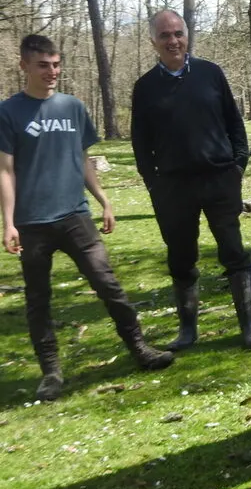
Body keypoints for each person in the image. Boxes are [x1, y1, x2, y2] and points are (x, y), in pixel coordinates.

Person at [0, 35, 173, 401]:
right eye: (43, 65)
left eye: (56, 65)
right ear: (24, 66)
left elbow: (83, 160)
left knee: (108, 284)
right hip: (32, 223)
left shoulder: (73, 107)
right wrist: (9, 222)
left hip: (75, 216)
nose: (52, 72)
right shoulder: (8, 112)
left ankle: (140, 348)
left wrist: (104, 200)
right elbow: (6, 170)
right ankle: (51, 372)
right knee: (38, 299)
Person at [131, 9, 251, 351]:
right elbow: (140, 143)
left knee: (234, 253)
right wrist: (154, 185)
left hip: (219, 179)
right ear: (153, 42)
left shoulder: (210, 73)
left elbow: (235, 124)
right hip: (173, 188)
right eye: (165, 35)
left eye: (178, 33)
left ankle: (249, 326)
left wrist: (238, 167)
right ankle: (188, 330)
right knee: (181, 257)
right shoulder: (145, 88)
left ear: (187, 35)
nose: (173, 41)